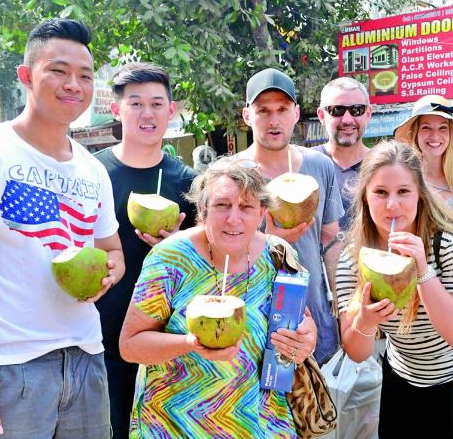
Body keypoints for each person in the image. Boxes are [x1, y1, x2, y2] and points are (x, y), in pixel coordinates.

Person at [0, 19, 124, 439]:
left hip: (87, 356)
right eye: (58, 70)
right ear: (26, 76)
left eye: (85, 76)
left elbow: (112, 248)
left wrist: (111, 271)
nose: (73, 83)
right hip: (10, 366)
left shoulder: (93, 170)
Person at [119, 156, 317, 438]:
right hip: (174, 425)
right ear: (203, 209)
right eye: (222, 205)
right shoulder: (170, 258)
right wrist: (190, 343)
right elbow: (130, 345)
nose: (233, 218)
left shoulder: (279, 255)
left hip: (259, 424)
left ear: (262, 214)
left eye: (246, 207)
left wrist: (305, 341)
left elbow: (299, 328)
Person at [335, 141, 453, 438]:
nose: (392, 205)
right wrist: (366, 322)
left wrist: (422, 270)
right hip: (408, 381)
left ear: (420, 193)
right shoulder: (353, 261)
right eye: (380, 193)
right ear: (365, 197)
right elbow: (356, 352)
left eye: (403, 192)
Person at [93, 61, 196, 438]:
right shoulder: (91, 173)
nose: (147, 113)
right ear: (117, 110)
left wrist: (177, 249)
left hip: (167, 337)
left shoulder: (188, 182)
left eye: (157, 103)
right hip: (103, 333)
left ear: (171, 111)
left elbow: (209, 261)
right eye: (135, 104)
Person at [239, 68, 344, 364]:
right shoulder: (229, 175)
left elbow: (330, 240)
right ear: (247, 115)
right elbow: (213, 250)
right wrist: (267, 241)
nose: (274, 121)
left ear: (296, 113)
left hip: (312, 320)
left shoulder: (320, 166)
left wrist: (343, 308)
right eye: (263, 110)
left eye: (282, 109)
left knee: (312, 407)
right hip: (251, 320)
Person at [394, 95, 453, 226]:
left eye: (443, 128)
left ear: (450, 133)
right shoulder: (405, 178)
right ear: (415, 133)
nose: (435, 136)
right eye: (426, 128)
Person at [312, 76, 372, 232]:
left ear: (368, 114)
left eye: (356, 110)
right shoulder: (306, 164)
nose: (347, 119)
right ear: (322, 115)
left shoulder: (383, 165)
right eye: (337, 110)